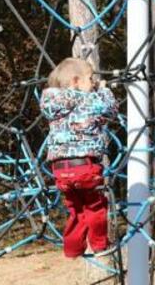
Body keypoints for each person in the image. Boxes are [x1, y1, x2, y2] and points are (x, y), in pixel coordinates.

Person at [40, 57, 118, 258]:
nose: (92, 83)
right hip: (84, 166)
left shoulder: (50, 103)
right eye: (90, 79)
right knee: (95, 206)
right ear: (75, 81)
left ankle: (72, 249)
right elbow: (110, 110)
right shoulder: (88, 99)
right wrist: (104, 90)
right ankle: (101, 245)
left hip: (60, 169)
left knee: (76, 209)